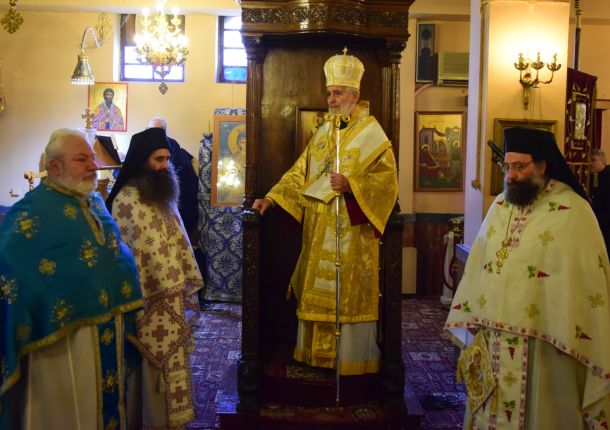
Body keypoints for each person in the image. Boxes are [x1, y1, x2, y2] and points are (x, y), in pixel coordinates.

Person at [445, 127, 610, 429]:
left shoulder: (574, 211)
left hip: (546, 345)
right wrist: (472, 313)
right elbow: (480, 262)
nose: (511, 175)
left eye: (520, 166)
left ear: (542, 165)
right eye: (507, 166)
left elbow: (587, 280)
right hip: (493, 338)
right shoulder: (500, 205)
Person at [252, 49, 398, 376]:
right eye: (330, 93)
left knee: (346, 295)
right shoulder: (322, 132)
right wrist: (271, 199)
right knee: (315, 288)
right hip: (319, 230)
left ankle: (349, 359)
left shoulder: (372, 134)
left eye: (338, 93)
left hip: (351, 235)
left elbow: (387, 182)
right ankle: (313, 354)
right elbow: (299, 173)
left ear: (355, 95)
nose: (332, 99)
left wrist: (352, 185)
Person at [0, 128, 143, 429]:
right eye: (82, 159)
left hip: (107, 329)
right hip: (58, 342)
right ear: (55, 167)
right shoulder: (30, 213)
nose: (93, 166)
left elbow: (115, 256)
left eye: (92, 158)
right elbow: (9, 269)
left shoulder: (95, 203)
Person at [107, 127, 203, 429]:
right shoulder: (126, 201)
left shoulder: (163, 196)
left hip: (172, 298)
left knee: (174, 358)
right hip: (145, 301)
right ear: (141, 161)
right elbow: (130, 253)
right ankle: (150, 421)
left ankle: (174, 420)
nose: (164, 166)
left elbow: (178, 241)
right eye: (158, 159)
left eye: (166, 159)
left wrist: (181, 281)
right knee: (148, 366)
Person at [147, 116, 200, 244]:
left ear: (164, 131)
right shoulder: (143, 145)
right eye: (150, 130)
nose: (165, 163)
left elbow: (176, 171)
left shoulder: (172, 145)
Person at [590, 149, 610, 251]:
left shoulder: (608, 175)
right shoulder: (598, 175)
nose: (591, 163)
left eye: (593, 160)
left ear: (603, 161)